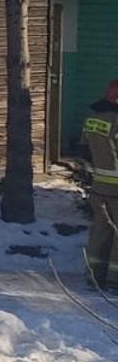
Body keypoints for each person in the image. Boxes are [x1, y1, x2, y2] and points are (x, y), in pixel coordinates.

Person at [82, 80, 118, 289]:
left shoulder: (92, 119)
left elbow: (84, 151)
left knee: (100, 232)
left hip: (99, 187)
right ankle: (115, 280)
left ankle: (94, 276)